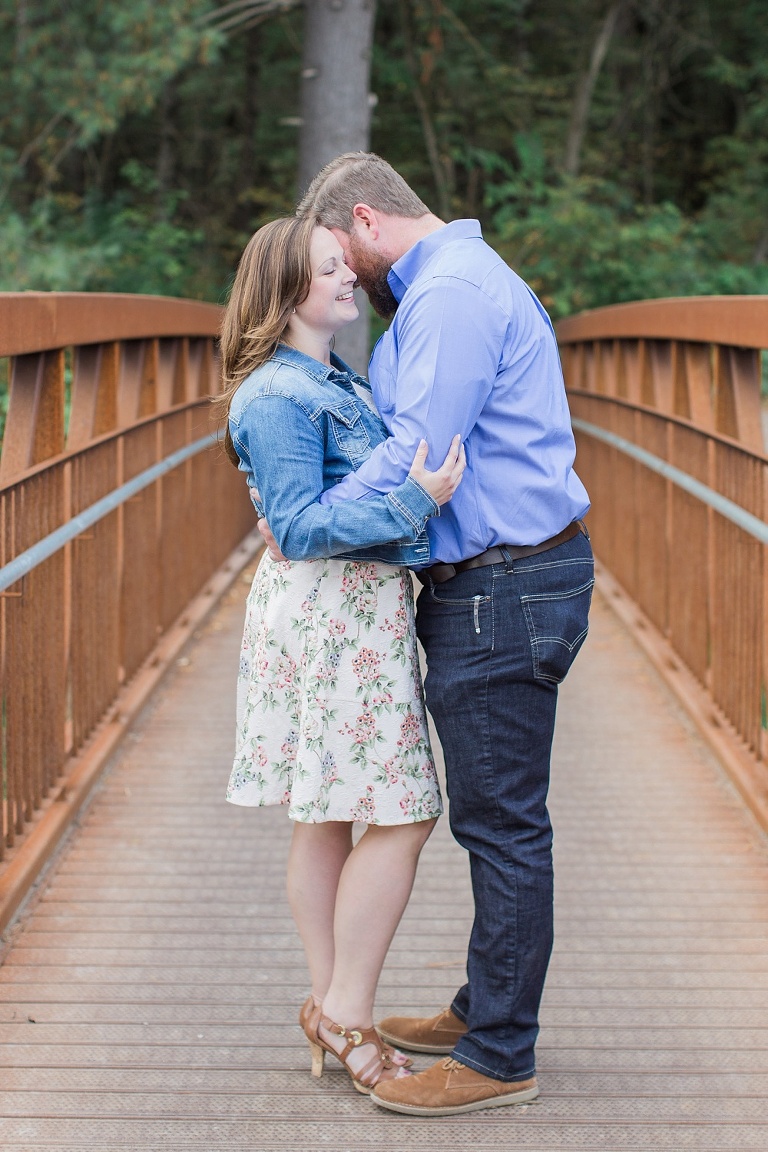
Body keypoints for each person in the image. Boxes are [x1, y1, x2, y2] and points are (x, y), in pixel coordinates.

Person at [277, 153, 594, 1116]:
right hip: (502, 581)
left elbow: (420, 451)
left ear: (366, 221)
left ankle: (501, 1055)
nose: (342, 279)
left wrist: (309, 523)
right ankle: (481, 1009)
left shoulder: (450, 295)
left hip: (502, 585)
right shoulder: (457, 281)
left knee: (501, 826)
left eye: (338, 255)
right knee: (492, 817)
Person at [216, 214, 466, 1096]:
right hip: (331, 621)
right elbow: (296, 525)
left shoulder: (334, 381)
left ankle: (330, 1005)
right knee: (401, 811)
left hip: (349, 614)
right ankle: (349, 1012)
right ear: (285, 291)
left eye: (342, 267)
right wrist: (416, 500)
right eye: (329, 271)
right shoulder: (277, 395)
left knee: (327, 811)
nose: (347, 280)